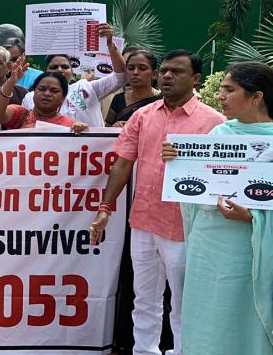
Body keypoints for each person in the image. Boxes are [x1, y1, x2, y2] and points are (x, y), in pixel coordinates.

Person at [88, 50, 225, 355]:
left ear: (196, 79)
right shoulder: (143, 116)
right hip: (143, 223)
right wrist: (105, 209)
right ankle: (144, 351)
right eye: (163, 71)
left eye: (176, 71)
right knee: (145, 298)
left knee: (183, 302)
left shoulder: (215, 123)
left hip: (185, 228)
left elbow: (221, 175)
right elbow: (123, 164)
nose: (166, 76)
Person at [159, 62, 273, 354]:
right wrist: (177, 160)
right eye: (221, 88)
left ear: (256, 97)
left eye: (229, 89)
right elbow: (196, 186)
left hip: (251, 251)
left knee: (247, 315)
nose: (220, 96)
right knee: (210, 312)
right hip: (209, 246)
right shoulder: (219, 134)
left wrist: (253, 216)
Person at [22, 23, 127, 127]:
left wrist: (110, 44)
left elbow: (121, 77)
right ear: (45, 73)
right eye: (54, 67)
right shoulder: (30, 97)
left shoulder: (87, 88)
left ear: (72, 73)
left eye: (65, 67)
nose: (59, 70)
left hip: (89, 144)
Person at [0, 59, 87, 132]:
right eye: (42, 89)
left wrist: (81, 130)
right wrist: (11, 82)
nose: (47, 94)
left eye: (54, 91)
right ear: (34, 92)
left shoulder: (70, 126)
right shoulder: (20, 115)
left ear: (63, 97)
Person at [106, 49, 161, 126]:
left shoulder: (162, 100)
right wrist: (114, 127)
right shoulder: (118, 99)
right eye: (131, 68)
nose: (135, 72)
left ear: (154, 74)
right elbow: (106, 129)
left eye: (142, 68)